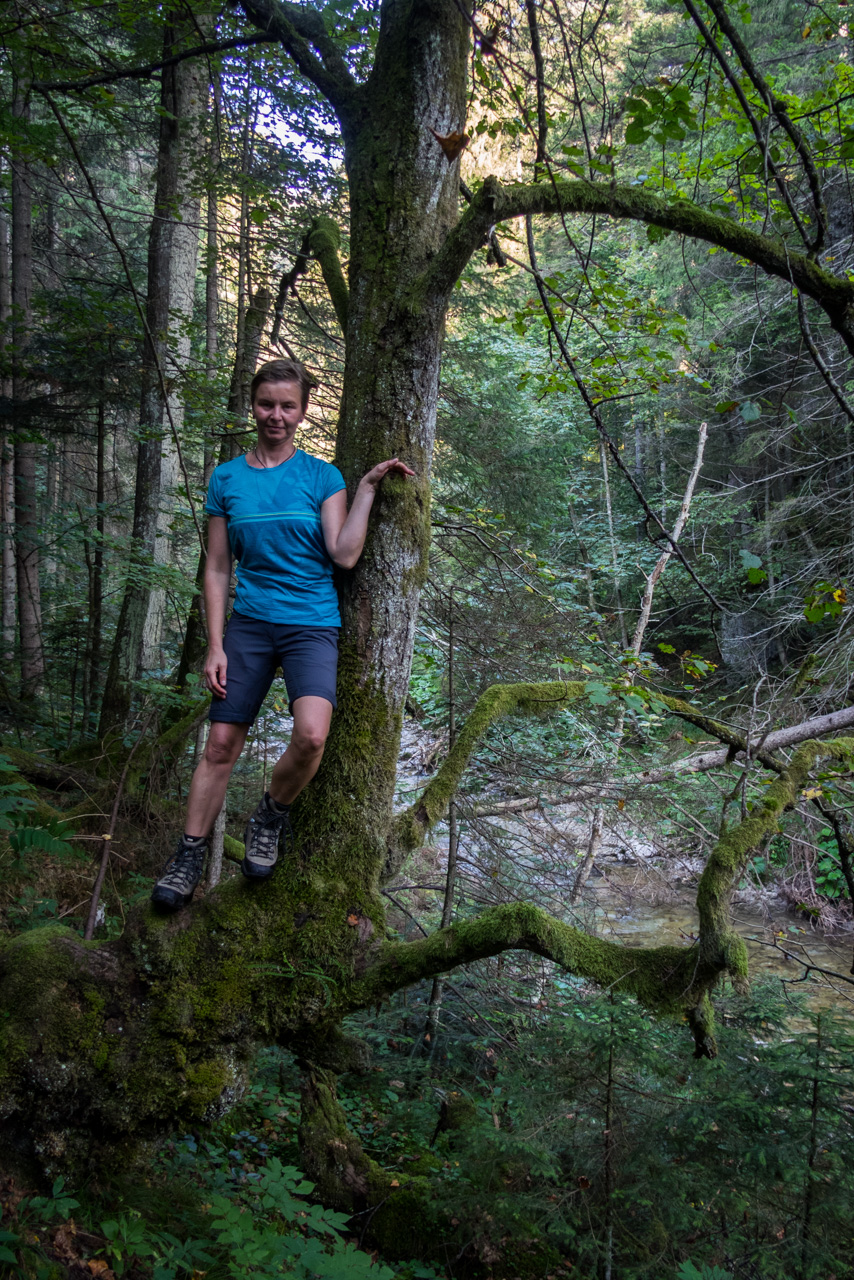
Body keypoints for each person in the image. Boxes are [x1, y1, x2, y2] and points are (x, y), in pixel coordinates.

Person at [151, 358, 414, 911]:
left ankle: (269, 816)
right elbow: (218, 567)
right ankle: (188, 857)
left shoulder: (322, 476)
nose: (276, 415)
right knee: (220, 744)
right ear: (254, 405)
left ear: (302, 410)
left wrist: (365, 488)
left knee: (313, 736)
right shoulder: (227, 479)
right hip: (247, 626)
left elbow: (344, 554)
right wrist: (216, 644)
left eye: (287, 405)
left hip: (311, 623)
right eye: (266, 403)